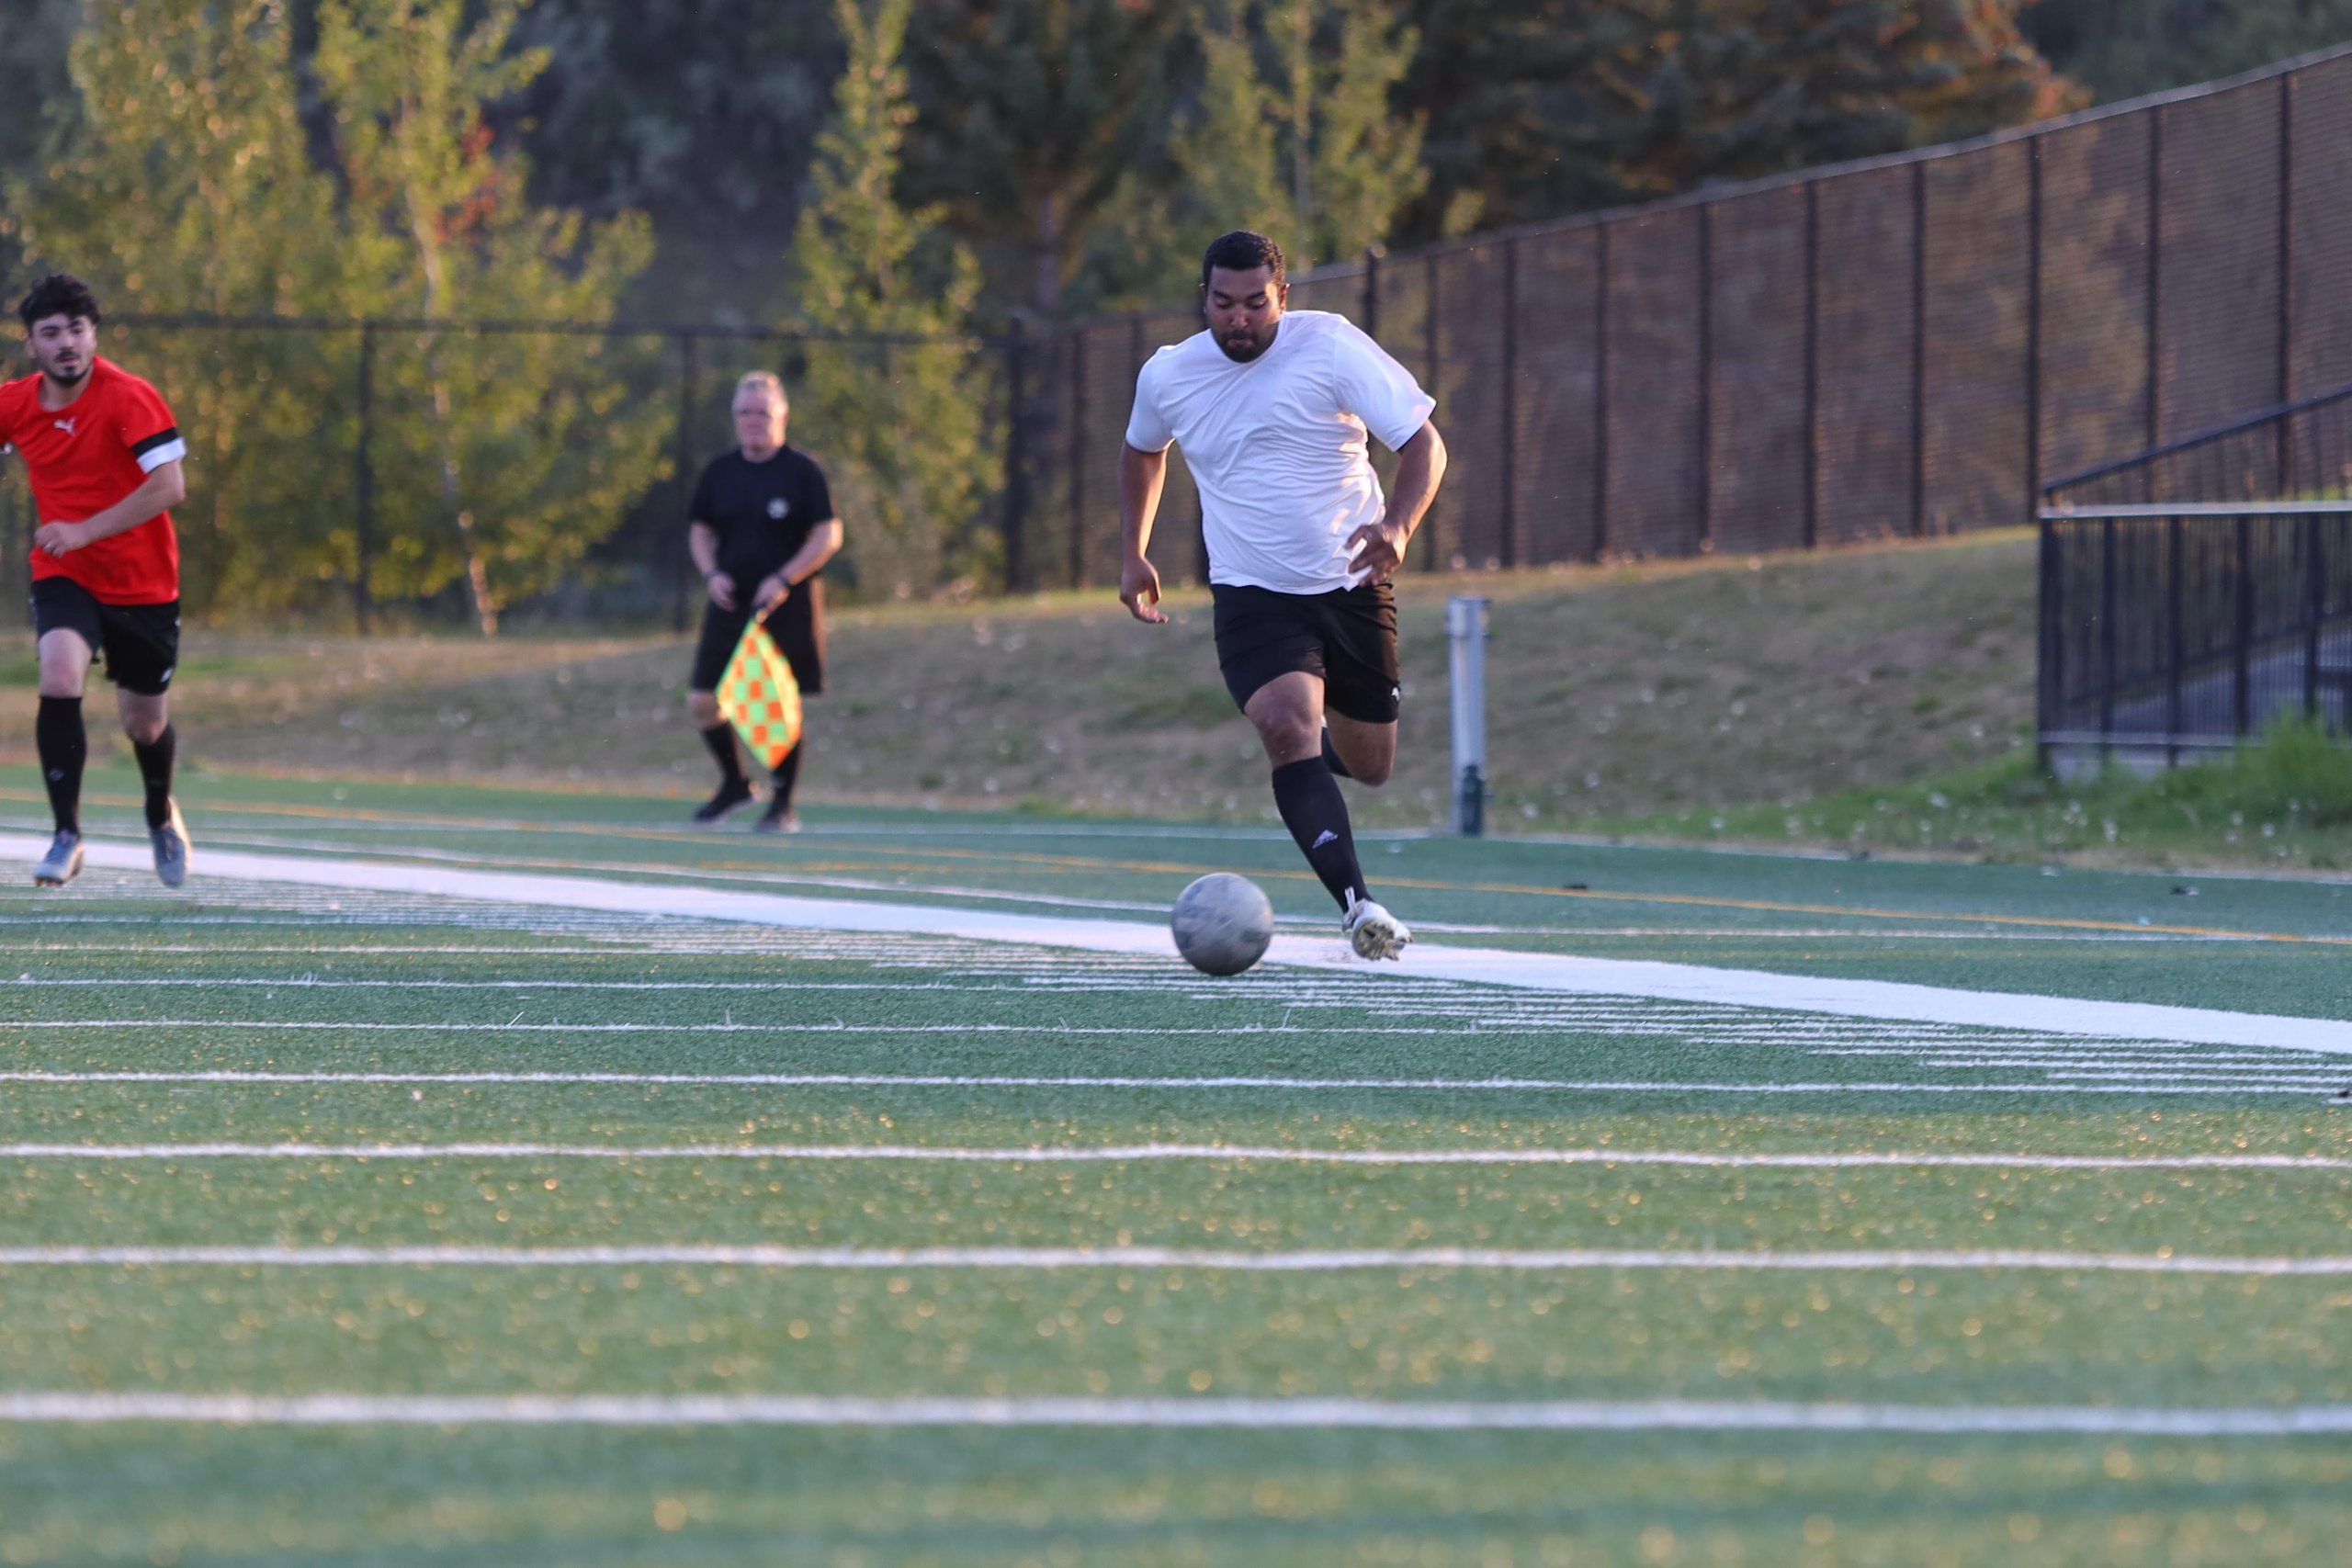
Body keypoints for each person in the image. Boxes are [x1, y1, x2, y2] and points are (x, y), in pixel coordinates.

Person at [1118, 231, 1447, 961]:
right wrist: (1133, 550)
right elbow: (1144, 448)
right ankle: (1358, 904)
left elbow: (1425, 443)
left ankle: (1314, 759)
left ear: (1283, 297)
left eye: (1254, 304)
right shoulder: (1169, 373)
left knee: (1370, 765)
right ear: (1203, 298)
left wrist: (1397, 524)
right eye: (1223, 303)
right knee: (1285, 722)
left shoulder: (1331, 347)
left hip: (1352, 584)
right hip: (1250, 591)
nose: (1238, 319)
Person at [0, 275, 191, 888]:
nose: (66, 344)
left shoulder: (129, 397)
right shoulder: (14, 403)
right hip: (64, 570)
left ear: (93, 337)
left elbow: (170, 487)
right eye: (51, 333)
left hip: (143, 581)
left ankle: (160, 812)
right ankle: (67, 834)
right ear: (31, 344)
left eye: (76, 331)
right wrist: (73, 541)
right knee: (58, 672)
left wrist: (85, 528)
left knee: (145, 724)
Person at [684, 371, 842, 831]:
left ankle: (783, 803)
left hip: (785, 603)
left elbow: (828, 534)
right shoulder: (720, 471)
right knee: (703, 700)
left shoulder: (802, 472)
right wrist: (712, 574)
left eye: (763, 413)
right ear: (734, 418)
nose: (753, 421)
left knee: (779, 704)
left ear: (783, 417)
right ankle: (735, 784)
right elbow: (700, 531)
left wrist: (784, 577)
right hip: (731, 602)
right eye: (744, 413)